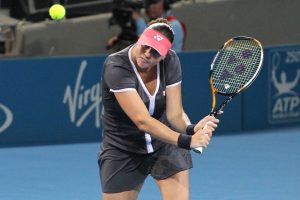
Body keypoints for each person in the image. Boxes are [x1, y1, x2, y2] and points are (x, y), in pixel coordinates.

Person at [98, 18, 219, 200]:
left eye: (155, 53)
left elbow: (175, 114)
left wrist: (191, 129)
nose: (147, 54)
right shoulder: (117, 66)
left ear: (164, 55)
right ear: (140, 39)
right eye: (145, 46)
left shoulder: (171, 61)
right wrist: (187, 141)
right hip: (123, 149)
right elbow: (142, 120)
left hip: (165, 145)